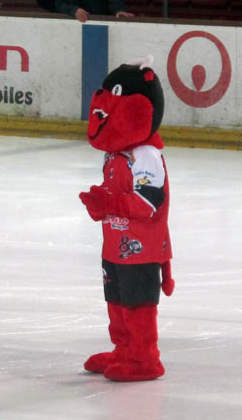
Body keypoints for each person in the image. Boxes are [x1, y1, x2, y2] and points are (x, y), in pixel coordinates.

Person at [79, 56, 174, 382]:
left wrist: (110, 203)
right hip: (115, 245)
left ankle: (145, 358)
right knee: (117, 300)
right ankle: (124, 350)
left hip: (142, 247)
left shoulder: (145, 154)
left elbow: (148, 201)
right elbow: (115, 193)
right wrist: (100, 203)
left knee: (138, 304)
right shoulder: (115, 153)